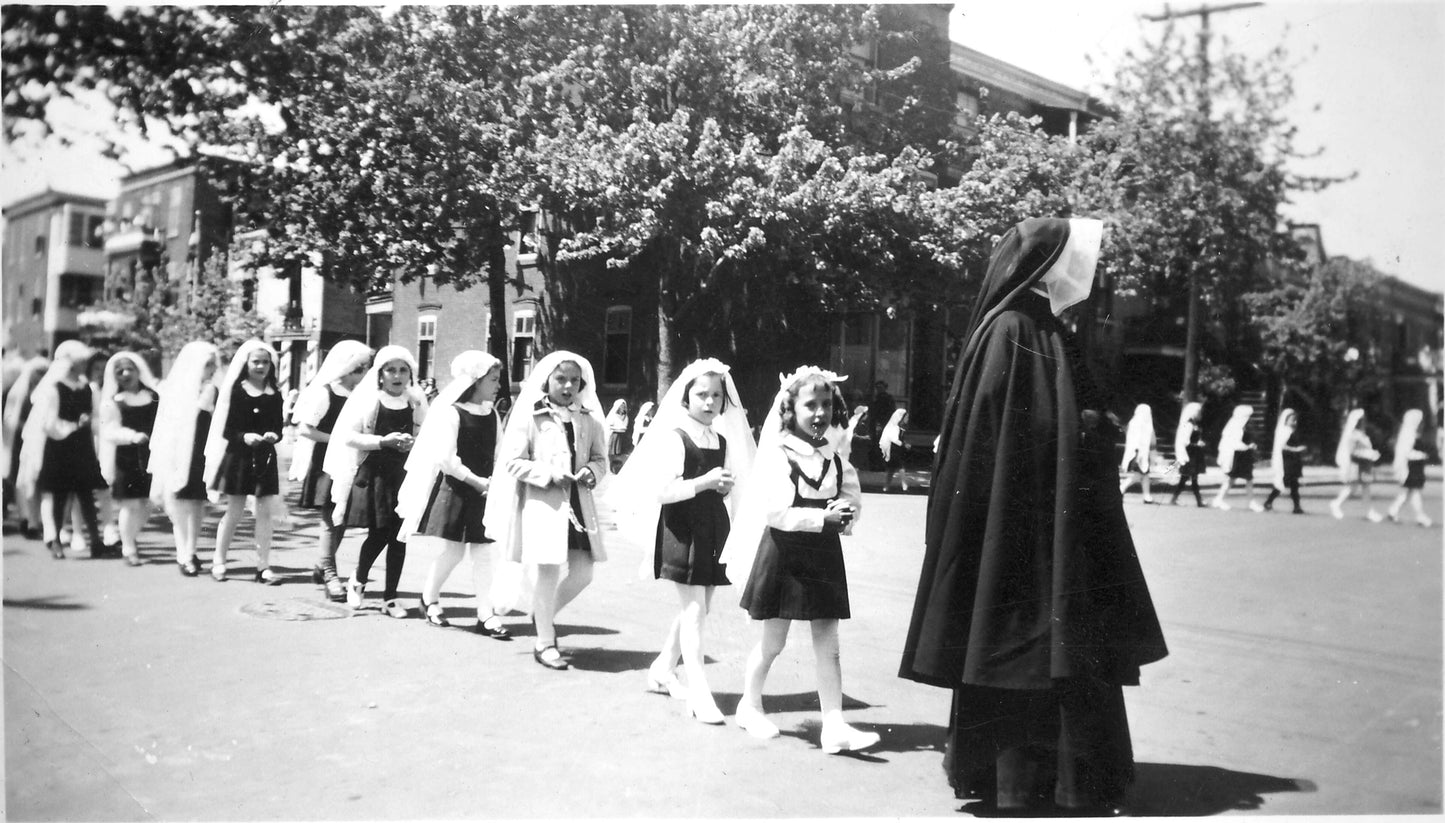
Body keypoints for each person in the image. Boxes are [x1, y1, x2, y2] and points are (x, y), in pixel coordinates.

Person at [898, 218, 1167, 814]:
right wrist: (1092, 429)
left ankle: (1038, 781)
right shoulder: (1017, 328)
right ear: (1045, 266)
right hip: (1029, 531)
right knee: (1038, 649)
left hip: (1033, 526)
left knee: (1043, 650)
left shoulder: (1031, 326)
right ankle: (1031, 785)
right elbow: (1036, 429)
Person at [723, 365, 876, 754]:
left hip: (822, 554)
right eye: (811, 404)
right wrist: (818, 518)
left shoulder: (833, 452)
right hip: (784, 554)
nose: (820, 412)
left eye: (827, 404)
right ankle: (749, 704)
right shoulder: (779, 452)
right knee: (773, 641)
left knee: (829, 641)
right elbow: (774, 511)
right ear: (791, 410)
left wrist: (846, 511)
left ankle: (834, 724)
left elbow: (852, 495)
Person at [610, 357, 756, 723]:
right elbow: (660, 491)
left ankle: (662, 668)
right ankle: (700, 693)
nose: (709, 402)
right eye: (701, 395)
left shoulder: (720, 440)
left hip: (711, 527)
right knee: (693, 610)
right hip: (682, 529)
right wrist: (704, 482)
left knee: (700, 607)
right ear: (686, 398)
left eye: (716, 396)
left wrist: (722, 488)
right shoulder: (675, 438)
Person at [484, 351, 608, 671]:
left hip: (579, 503)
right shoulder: (531, 415)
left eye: (574, 381)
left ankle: (542, 615)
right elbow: (512, 461)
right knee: (548, 572)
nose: (568, 386)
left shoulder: (589, 418)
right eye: (561, 379)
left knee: (583, 573)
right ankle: (545, 641)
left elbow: (600, 458)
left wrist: (592, 472)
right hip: (544, 504)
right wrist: (548, 474)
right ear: (547, 380)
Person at [398, 350, 512, 638]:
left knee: (484, 553)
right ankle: (429, 597)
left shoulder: (492, 414)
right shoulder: (452, 412)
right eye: (493, 379)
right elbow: (447, 459)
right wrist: (477, 482)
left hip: (485, 491)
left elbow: (499, 452)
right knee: (453, 552)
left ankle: (485, 614)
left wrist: (496, 481)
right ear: (475, 381)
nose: (498, 385)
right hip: (460, 488)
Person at [326, 345, 427, 617]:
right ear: (380, 374)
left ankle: (391, 598)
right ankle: (358, 579)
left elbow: (426, 435)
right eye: (391, 370)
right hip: (376, 473)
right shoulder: (370, 399)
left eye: (403, 370)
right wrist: (383, 441)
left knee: (400, 536)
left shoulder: (415, 401)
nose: (397, 375)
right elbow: (348, 436)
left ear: (410, 374)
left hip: (403, 474)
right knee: (380, 532)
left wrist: (412, 443)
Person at [287, 340, 372, 601]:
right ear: (345, 368)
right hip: (327, 462)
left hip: (350, 463)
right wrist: (336, 439)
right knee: (329, 519)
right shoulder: (327, 392)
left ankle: (322, 565)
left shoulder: (359, 396)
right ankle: (331, 575)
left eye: (365, 369)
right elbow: (304, 428)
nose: (363, 374)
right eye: (359, 369)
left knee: (341, 519)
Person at [205, 340, 288, 583]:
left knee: (264, 513)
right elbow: (228, 430)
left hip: (264, 457)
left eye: (265, 362)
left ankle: (263, 566)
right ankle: (219, 561)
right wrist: (245, 436)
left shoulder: (275, 394)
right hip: (239, 457)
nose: (261, 366)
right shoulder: (237, 390)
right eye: (256, 361)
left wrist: (274, 435)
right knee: (235, 511)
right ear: (246, 364)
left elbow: (277, 426)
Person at [16, 341, 108, 559]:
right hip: (60, 447)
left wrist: (89, 423)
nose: (84, 365)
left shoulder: (86, 387)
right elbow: (48, 423)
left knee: (86, 495)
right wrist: (75, 425)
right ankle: (55, 539)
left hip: (82, 447)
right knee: (59, 495)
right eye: (80, 361)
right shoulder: (54, 389)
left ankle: (95, 540)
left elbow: (96, 416)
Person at [148, 341, 221, 576]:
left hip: (202, 452)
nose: (211, 370)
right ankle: (183, 553)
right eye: (207, 364)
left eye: (213, 365)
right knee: (179, 504)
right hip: (179, 454)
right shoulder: (175, 391)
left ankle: (192, 549)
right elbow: (167, 428)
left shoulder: (212, 390)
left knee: (198, 504)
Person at [97, 352, 161, 566]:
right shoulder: (113, 402)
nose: (125, 374)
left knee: (148, 503)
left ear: (138, 371)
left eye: (129, 369)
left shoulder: (153, 396)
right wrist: (132, 436)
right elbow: (108, 431)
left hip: (151, 456)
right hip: (126, 457)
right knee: (130, 504)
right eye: (120, 371)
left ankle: (130, 537)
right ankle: (128, 547)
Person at [4, 354, 49, 538]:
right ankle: (26, 519)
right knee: (20, 480)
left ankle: (36, 520)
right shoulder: (13, 393)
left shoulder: (48, 391)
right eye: (38, 371)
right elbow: (8, 419)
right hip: (18, 442)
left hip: (42, 442)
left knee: (39, 481)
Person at [1330, 409, 1383, 521]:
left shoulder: (1361, 434)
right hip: (1358, 465)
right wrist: (1369, 455)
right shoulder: (1353, 435)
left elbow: (1364, 449)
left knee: (1360, 488)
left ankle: (1338, 503)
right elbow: (1352, 452)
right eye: (1361, 420)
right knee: (1358, 488)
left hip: (1365, 465)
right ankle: (1338, 504)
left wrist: (1372, 453)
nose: (1364, 422)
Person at [1385, 409, 1433, 527]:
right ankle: (1420, 516)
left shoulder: (1411, 432)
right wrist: (1420, 455)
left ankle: (1393, 510)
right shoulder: (1408, 433)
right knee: (1414, 491)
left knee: (1408, 491)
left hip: (1415, 466)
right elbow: (1406, 452)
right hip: (1410, 467)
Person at [1211, 405, 1261, 511]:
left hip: (1244, 456)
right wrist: (1248, 446)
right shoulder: (1236, 427)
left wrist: (1250, 445)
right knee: (1232, 479)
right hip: (1237, 457)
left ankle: (1250, 502)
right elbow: (1235, 443)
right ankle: (1219, 499)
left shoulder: (1243, 426)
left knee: (1248, 479)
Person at [1262, 409, 1307, 514]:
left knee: (1292, 484)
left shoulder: (1291, 431)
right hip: (1287, 461)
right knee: (1289, 483)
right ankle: (1294, 506)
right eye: (1292, 420)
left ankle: (1294, 506)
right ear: (1286, 420)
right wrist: (1296, 449)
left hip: (1293, 461)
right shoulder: (1284, 431)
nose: (1295, 422)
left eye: (1295, 420)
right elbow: (1283, 446)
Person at [1168, 402, 1206, 507]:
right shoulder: (1189, 424)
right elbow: (1185, 441)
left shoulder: (1193, 424)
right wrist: (1197, 444)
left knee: (1187, 478)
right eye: (1198, 412)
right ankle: (1199, 501)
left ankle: (1176, 498)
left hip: (1193, 454)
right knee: (1191, 478)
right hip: (1190, 454)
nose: (1200, 414)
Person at [1119, 403, 1156, 503]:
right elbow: (1140, 440)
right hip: (1139, 453)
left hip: (1139, 452)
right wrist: (1140, 454)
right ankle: (1122, 487)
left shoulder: (1134, 422)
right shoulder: (1141, 423)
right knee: (1140, 474)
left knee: (1145, 475)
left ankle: (1147, 496)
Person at [879, 408, 910, 492]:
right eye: (906, 417)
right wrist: (904, 445)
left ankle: (886, 487)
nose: (907, 419)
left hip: (896, 451)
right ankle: (905, 486)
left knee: (891, 469)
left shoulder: (900, 428)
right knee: (900, 467)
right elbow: (894, 439)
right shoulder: (894, 427)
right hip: (893, 451)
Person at [843, 406, 871, 472]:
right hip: (854, 450)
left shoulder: (862, 421)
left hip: (860, 450)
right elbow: (850, 435)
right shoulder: (854, 421)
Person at [605, 398, 630, 471]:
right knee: (612, 452)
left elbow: (625, 426)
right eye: (621, 406)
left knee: (620, 453)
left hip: (622, 436)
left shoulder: (625, 417)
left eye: (624, 406)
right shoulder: (613, 416)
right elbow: (608, 425)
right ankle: (611, 467)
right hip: (614, 435)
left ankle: (618, 467)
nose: (623, 408)